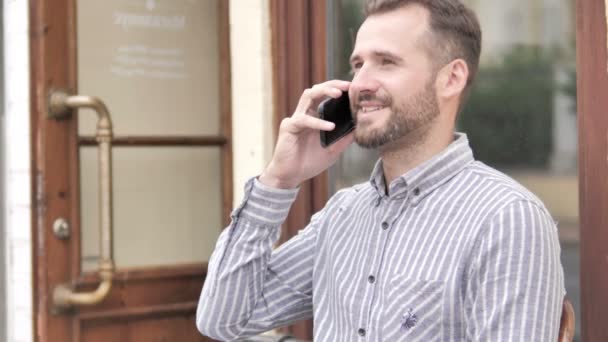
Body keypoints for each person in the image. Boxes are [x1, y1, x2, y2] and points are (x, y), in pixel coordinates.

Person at [196, 0, 565, 341]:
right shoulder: (342, 215)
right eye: (358, 64)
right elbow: (225, 320)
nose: (361, 84)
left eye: (386, 62)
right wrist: (278, 181)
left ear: (451, 78)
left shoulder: (506, 218)